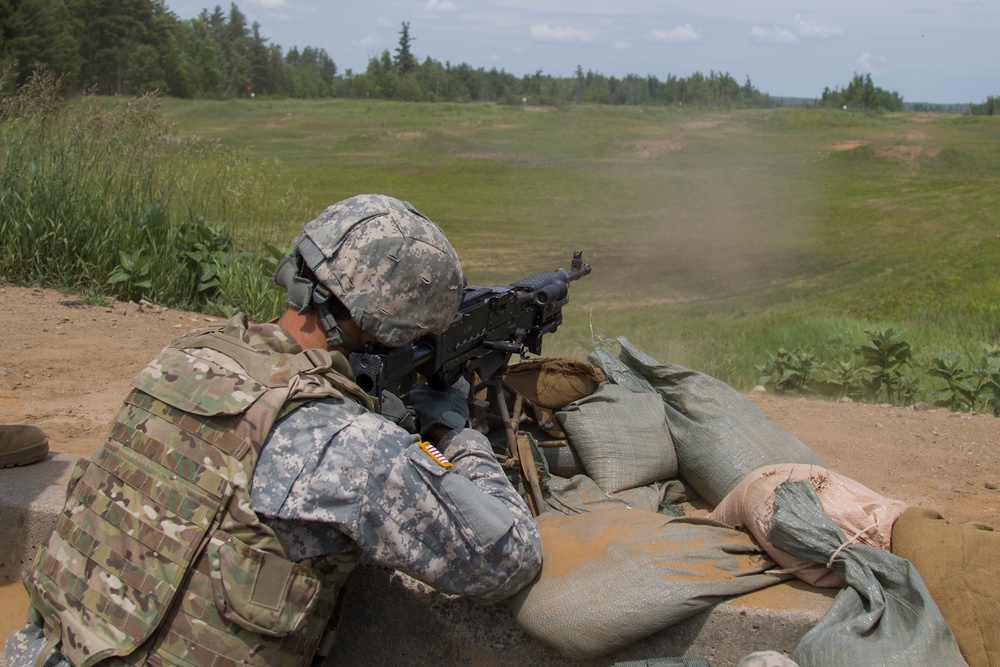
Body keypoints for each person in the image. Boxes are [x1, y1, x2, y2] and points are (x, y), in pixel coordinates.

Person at [5, 194, 542, 666]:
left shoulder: (183, 361)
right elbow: (509, 557)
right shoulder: (345, 443)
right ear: (392, 329)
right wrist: (457, 433)